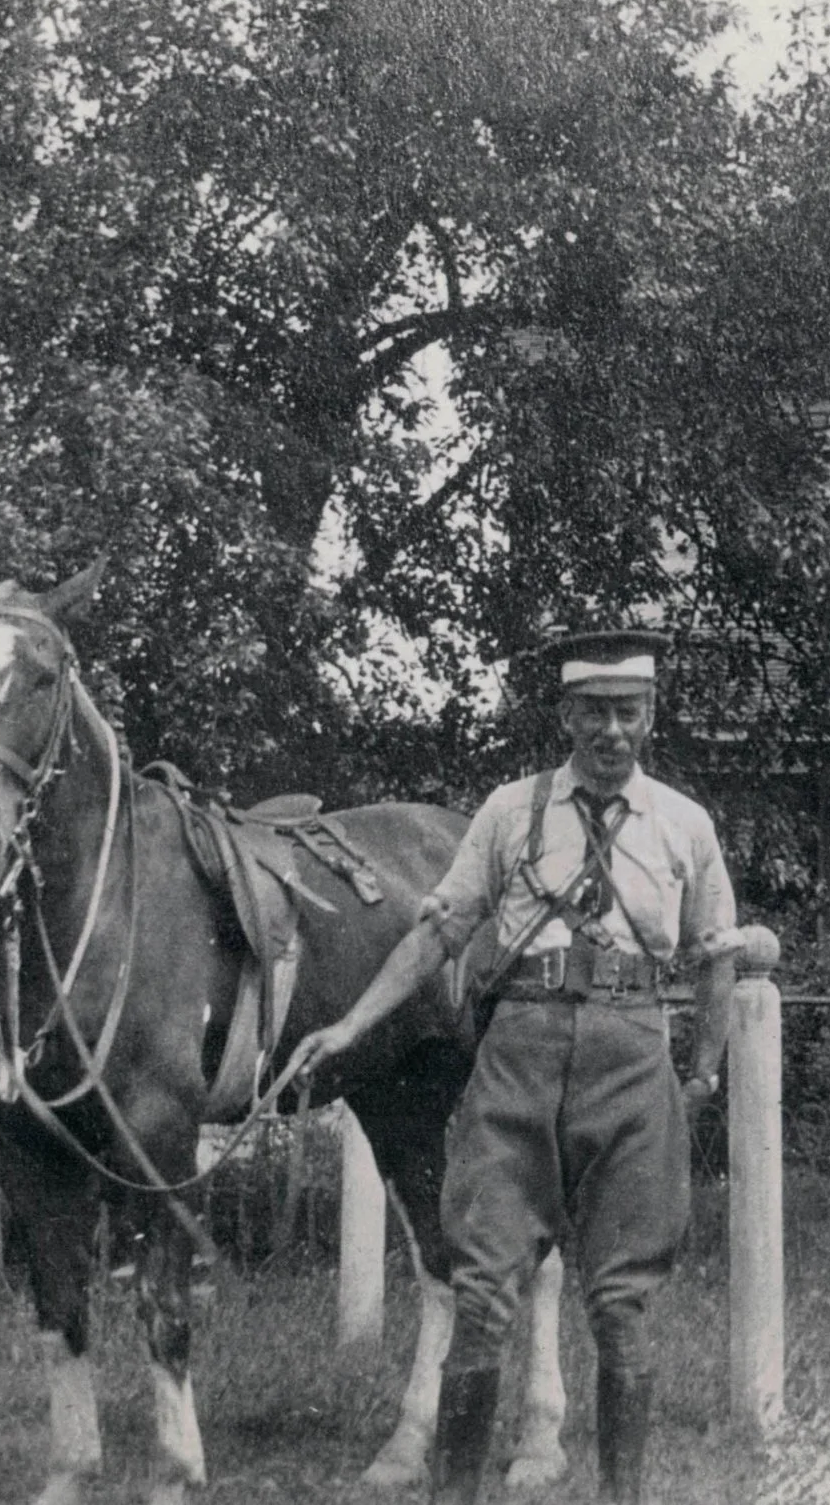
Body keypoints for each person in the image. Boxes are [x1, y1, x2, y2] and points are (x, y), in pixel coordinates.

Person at [288, 627, 742, 1505]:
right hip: (519, 1056)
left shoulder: (685, 824)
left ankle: (624, 1495)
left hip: (632, 1055)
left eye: (629, 711)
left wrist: (705, 1069)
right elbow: (440, 929)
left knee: (622, 1301)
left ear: (650, 717)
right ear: (565, 716)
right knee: (483, 1282)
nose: (612, 730)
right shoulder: (508, 810)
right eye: (594, 713)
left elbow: (715, 950)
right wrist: (350, 1023)